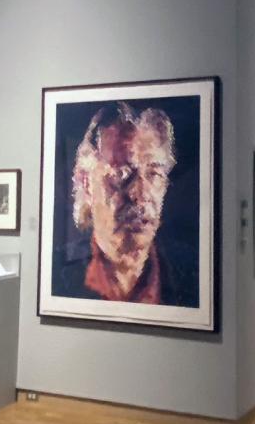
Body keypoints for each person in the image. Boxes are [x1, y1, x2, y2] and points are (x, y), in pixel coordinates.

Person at [53, 102, 194, 306]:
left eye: (154, 174)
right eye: (122, 174)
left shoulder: (192, 275)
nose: (140, 195)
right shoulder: (56, 275)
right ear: (86, 182)